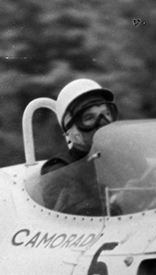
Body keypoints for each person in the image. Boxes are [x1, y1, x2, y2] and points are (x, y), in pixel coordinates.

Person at [39, 79, 119, 213]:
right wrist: (121, 202)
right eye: (89, 118)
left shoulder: (126, 157)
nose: (104, 123)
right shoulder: (59, 170)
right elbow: (83, 219)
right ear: (71, 131)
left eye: (106, 113)